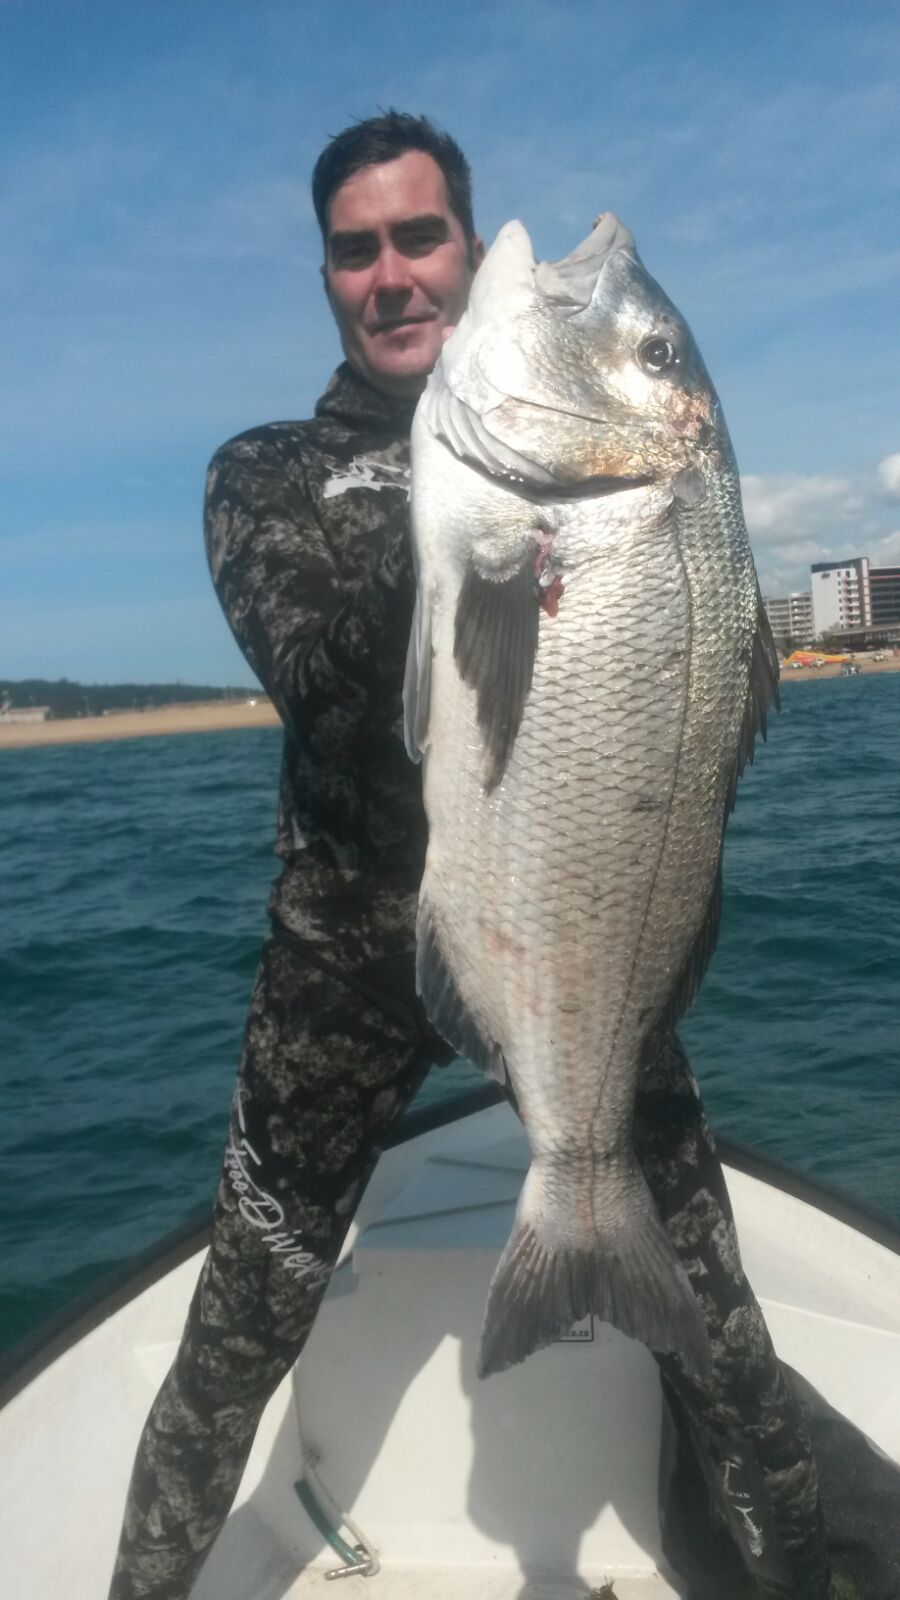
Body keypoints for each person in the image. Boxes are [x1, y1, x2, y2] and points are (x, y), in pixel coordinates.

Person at [107, 112, 834, 1600]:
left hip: (575, 944)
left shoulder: (577, 476)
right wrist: (476, 522)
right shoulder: (266, 473)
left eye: (420, 235)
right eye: (354, 249)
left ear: (462, 241)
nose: (392, 273)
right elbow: (315, 678)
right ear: (327, 275)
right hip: (339, 980)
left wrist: (511, 487)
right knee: (231, 1343)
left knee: (727, 1348)